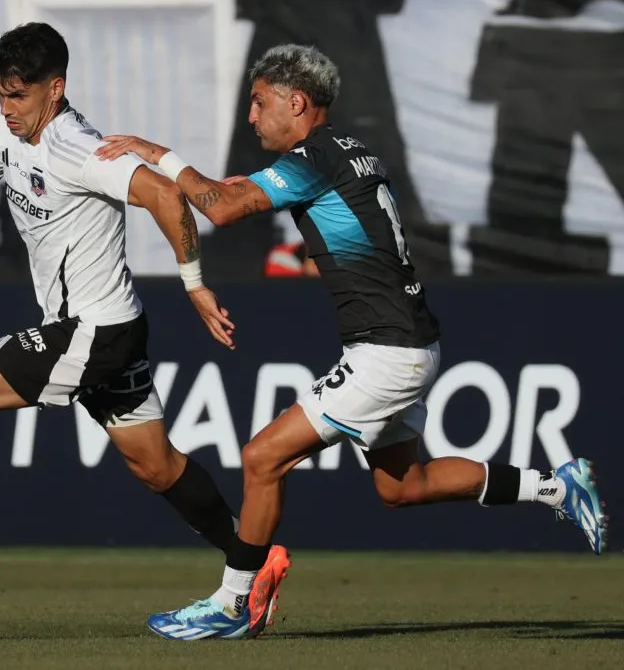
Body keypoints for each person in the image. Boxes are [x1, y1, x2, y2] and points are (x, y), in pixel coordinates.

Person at [96, 43, 609, 640]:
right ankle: (556, 485)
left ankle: (234, 602)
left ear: (297, 101)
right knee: (403, 486)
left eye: (259, 103)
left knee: (262, 458)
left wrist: (158, 153)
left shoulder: (316, 157)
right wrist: (203, 184)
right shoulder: (348, 152)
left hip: (387, 352)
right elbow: (239, 191)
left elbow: (226, 208)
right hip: (410, 343)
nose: (252, 117)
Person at [0, 22, 290, 634]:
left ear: (56, 88)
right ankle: (250, 562)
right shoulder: (9, 130)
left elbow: (166, 197)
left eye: (19, 96)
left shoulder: (76, 146)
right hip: (109, 331)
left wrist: (195, 284)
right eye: (0, 93)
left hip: (92, 331)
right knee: (157, 467)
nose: (7, 108)